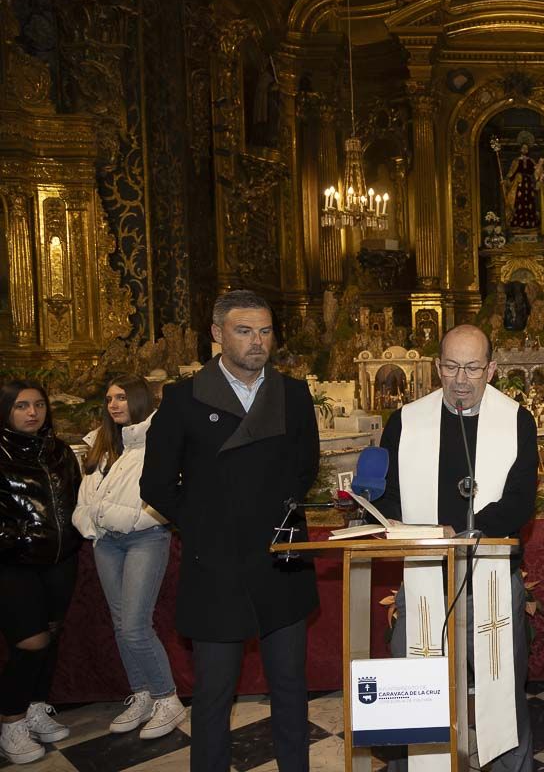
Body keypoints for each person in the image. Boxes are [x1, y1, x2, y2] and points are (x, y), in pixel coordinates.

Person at [141, 290, 320, 772]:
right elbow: (156, 483)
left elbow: (306, 469)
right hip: (215, 567)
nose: (257, 341)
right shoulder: (183, 399)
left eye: (265, 331)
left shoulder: (293, 394)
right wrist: (206, 526)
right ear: (217, 335)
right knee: (214, 697)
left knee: (290, 689)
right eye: (244, 331)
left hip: (281, 558)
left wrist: (275, 516)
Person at [375, 324, 537, 772]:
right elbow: (386, 495)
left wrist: (469, 531)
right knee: (416, 689)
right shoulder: (406, 421)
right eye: (450, 366)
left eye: (472, 367)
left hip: (492, 577)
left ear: (492, 368)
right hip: (425, 574)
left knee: (502, 689)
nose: (461, 379)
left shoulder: (516, 418)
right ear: (436, 366)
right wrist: (399, 523)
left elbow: (522, 497)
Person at [73, 375, 186, 739]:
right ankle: (143, 694)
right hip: (106, 542)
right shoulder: (100, 443)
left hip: (146, 538)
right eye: (108, 399)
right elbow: (84, 498)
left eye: (121, 397)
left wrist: (123, 518)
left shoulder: (159, 439)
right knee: (121, 624)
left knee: (136, 625)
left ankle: (168, 699)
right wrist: (92, 523)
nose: (114, 405)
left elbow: (167, 494)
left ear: (138, 399)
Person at [0, 381, 82, 765]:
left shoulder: (60, 451)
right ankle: (11, 721)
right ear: (6, 411)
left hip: (61, 561)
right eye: (21, 406)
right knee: (30, 642)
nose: (32, 412)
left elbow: (74, 499)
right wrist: (20, 538)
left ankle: (35, 707)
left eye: (38, 405)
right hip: (13, 564)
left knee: (50, 636)